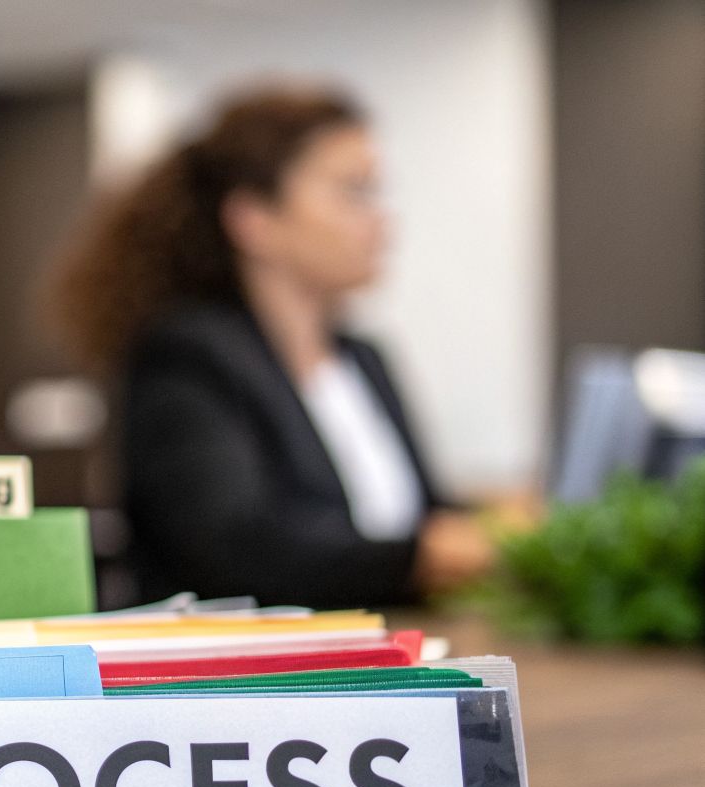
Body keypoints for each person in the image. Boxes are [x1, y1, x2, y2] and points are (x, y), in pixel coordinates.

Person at [49, 84, 495, 608]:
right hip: (248, 678)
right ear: (254, 219)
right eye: (353, 191)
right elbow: (234, 548)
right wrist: (421, 557)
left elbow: (426, 514)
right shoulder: (186, 356)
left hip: (392, 654)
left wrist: (485, 523)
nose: (381, 219)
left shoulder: (364, 360)